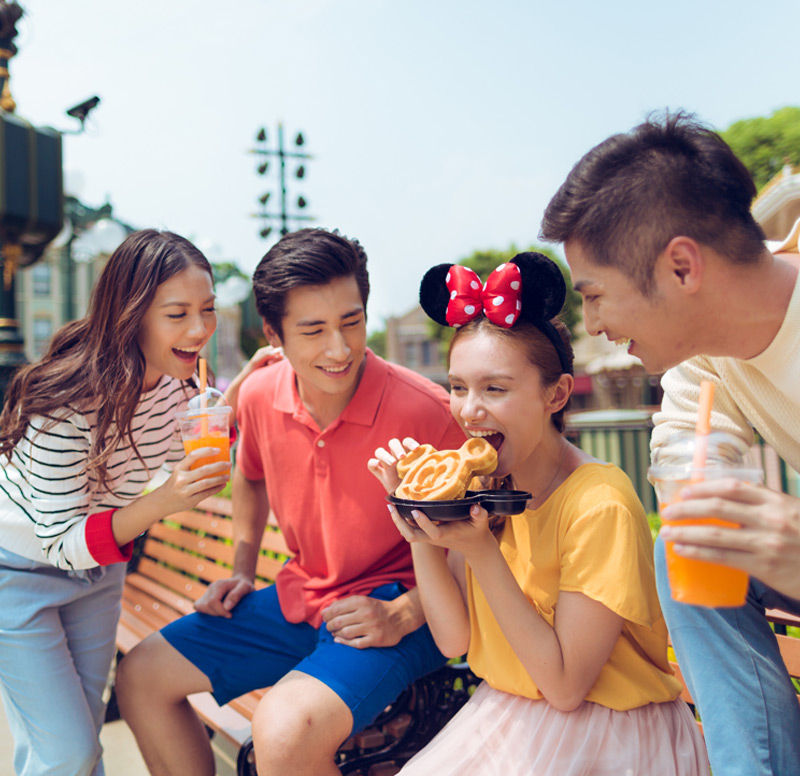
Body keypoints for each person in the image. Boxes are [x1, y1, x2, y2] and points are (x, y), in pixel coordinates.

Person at [115, 228, 465, 776]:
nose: (340, 348)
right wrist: (242, 567)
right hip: (300, 596)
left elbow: (494, 538)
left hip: (398, 612)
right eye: (314, 329)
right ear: (274, 335)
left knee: (280, 734)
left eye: (352, 321)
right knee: (140, 677)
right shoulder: (257, 395)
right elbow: (250, 477)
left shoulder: (430, 411)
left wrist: (405, 612)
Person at [368, 252, 707, 775]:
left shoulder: (599, 502)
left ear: (557, 394)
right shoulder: (485, 487)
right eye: (458, 387)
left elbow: (566, 685)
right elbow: (454, 640)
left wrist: (482, 552)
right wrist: (419, 527)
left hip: (610, 730)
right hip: (509, 712)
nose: (469, 409)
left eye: (494, 389)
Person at [540, 111, 800, 775]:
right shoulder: (706, 358)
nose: (592, 325)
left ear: (682, 266)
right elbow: (682, 477)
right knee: (682, 540)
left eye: (596, 296)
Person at [0, 229, 231, 776]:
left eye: (208, 309)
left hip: (99, 573)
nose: (199, 330)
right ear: (131, 314)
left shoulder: (181, 387)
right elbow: (60, 542)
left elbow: (211, 434)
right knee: (69, 751)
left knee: (68, 748)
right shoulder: (67, 405)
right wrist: (166, 500)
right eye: (177, 314)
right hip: (17, 575)